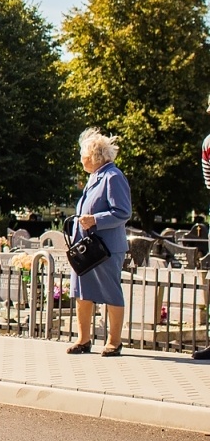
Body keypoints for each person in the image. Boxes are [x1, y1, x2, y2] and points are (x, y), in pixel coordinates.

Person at [68, 128, 131, 357]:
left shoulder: (113, 176)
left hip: (106, 248)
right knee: (81, 291)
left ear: (95, 156)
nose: (81, 159)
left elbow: (123, 212)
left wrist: (95, 219)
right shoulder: (94, 177)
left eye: (83, 155)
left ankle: (114, 341)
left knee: (111, 292)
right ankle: (83, 339)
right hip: (86, 247)